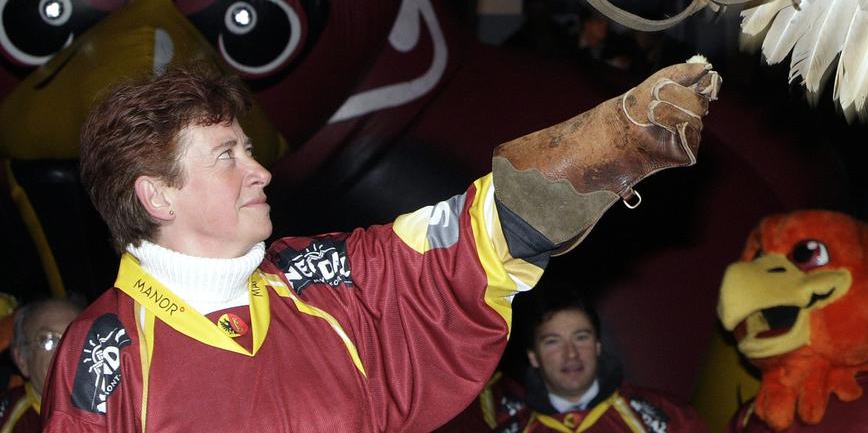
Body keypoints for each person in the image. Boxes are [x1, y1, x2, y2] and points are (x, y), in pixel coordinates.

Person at [40, 61, 719, 433]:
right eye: (227, 155)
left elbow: (462, 241)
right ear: (158, 196)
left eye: (249, 148)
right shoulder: (106, 353)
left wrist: (611, 149)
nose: (260, 170)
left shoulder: (322, 282)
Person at [454, 287, 705, 433]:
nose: (571, 354)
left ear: (597, 345)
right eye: (553, 341)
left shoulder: (667, 419)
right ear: (534, 356)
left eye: (581, 337)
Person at [1, 296, 83, 433]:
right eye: (49, 341)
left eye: (77, 336)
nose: (67, 350)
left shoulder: (121, 398)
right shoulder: (13, 423)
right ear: (22, 359)